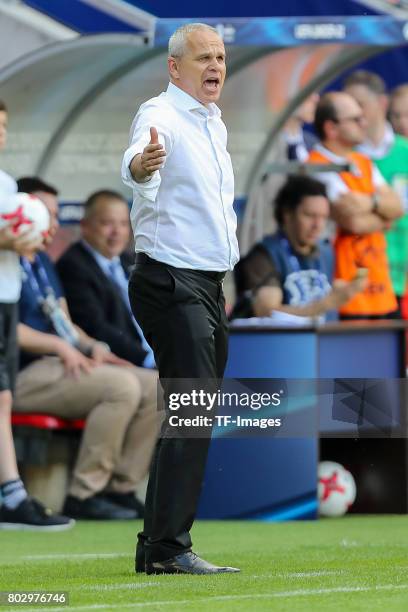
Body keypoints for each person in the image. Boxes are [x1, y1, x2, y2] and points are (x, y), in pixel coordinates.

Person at [121, 23, 240, 575]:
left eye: (219, 56)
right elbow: (138, 161)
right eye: (203, 58)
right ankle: (169, 548)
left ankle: (157, 547)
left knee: (193, 411)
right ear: (175, 67)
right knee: (191, 409)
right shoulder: (160, 114)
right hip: (169, 278)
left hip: (206, 284)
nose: (215, 65)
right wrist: (140, 167)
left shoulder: (213, 123)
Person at [13, 177, 160, 520]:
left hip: (59, 366)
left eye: (51, 215)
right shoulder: (9, 261)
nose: (47, 223)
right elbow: (10, 329)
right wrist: (59, 346)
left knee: (159, 387)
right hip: (22, 372)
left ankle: (120, 488)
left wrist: (92, 346)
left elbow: (64, 321)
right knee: (120, 387)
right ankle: (85, 493)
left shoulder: (42, 262)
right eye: (37, 213)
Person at [0, 101, 73, 530]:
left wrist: (29, 239)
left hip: (6, 300)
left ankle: (10, 493)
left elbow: (16, 242)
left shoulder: (9, 185)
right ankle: (11, 492)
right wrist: (10, 240)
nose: (1, 133)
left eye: (5, 125)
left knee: (2, 395)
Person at [308, 92, 402, 319]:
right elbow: (355, 222)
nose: (364, 123)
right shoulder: (317, 166)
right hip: (343, 291)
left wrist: (370, 202)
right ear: (331, 128)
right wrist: (383, 216)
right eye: (355, 119)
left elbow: (398, 207)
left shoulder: (363, 162)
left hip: (379, 289)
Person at [234, 175, 366, 319]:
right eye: (310, 215)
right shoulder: (263, 256)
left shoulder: (326, 252)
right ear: (287, 214)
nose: (317, 225)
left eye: (323, 217)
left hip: (325, 339)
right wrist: (327, 303)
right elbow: (268, 313)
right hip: (285, 341)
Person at [56, 189, 154, 368]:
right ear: (85, 226)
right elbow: (95, 327)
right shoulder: (72, 265)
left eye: (124, 223)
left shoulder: (129, 260)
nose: (117, 232)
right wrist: (148, 360)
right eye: (107, 223)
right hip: (121, 362)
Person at [343, 71, 408, 309]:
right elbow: (350, 218)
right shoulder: (346, 158)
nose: (355, 114)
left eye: (360, 104)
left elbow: (397, 209)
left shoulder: (405, 150)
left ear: (382, 103)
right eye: (349, 106)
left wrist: (370, 206)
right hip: (363, 280)